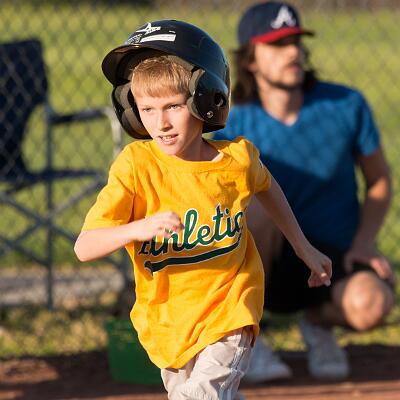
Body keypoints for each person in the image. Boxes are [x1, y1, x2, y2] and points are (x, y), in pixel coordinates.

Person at [74, 19, 332, 400]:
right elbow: (84, 247)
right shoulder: (135, 167)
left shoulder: (237, 160)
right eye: (147, 109)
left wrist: (302, 246)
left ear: (206, 100)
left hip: (230, 310)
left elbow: (267, 187)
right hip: (169, 323)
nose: (160, 123)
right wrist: (137, 228)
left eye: (173, 106)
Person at [214, 1, 395, 383]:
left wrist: (364, 242)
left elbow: (379, 179)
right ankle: (244, 334)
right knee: (253, 204)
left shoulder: (345, 104)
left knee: (373, 302)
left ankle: (317, 323)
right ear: (250, 59)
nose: (293, 52)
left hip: (333, 257)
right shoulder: (232, 122)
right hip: (264, 262)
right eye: (278, 44)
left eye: (296, 41)